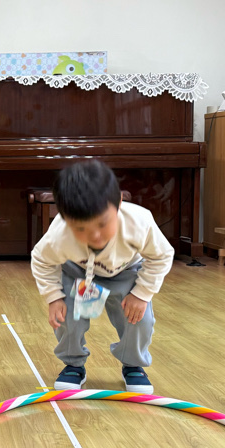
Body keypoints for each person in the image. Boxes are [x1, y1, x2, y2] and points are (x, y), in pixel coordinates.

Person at [31, 160, 174, 393]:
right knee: (67, 318)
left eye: (102, 224)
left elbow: (162, 255)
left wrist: (142, 293)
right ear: (65, 218)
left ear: (119, 202)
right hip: (79, 271)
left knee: (139, 319)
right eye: (81, 229)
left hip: (126, 271)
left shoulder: (139, 222)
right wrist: (53, 296)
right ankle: (73, 364)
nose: (95, 236)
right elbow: (41, 260)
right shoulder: (59, 234)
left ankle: (133, 365)